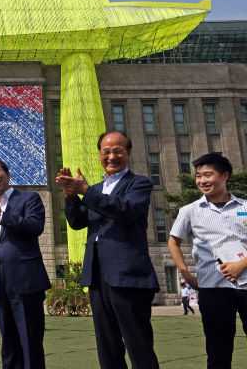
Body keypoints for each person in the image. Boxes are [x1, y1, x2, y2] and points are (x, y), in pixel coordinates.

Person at [56, 131, 160, 369]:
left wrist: (86, 191)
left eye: (118, 150)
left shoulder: (139, 183)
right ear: (100, 154)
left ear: (129, 153)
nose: (112, 156)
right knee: (107, 344)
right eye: (107, 151)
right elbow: (77, 222)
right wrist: (71, 196)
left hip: (128, 275)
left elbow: (127, 209)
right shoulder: (95, 188)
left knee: (138, 345)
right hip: (97, 274)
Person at [0, 158, 51, 369]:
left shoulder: (29, 199)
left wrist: (2, 215)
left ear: (7, 174)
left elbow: (35, 226)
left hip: (25, 282)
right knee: (9, 344)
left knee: (30, 343)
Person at [168, 153, 247, 369]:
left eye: (208, 175)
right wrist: (186, 275)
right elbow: (173, 242)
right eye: (198, 176)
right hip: (213, 288)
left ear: (225, 176)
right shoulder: (190, 211)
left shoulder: (245, 207)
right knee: (218, 350)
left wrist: (242, 264)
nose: (202, 180)